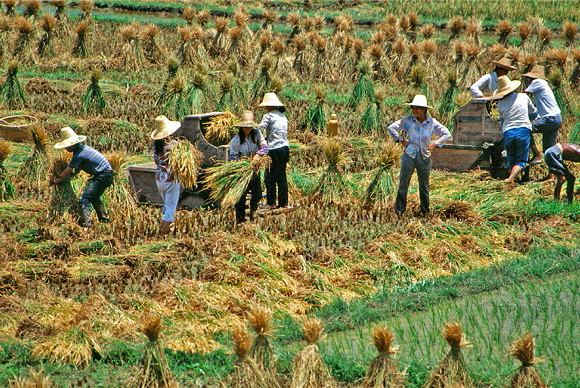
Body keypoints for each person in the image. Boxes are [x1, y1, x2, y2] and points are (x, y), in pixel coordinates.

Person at [387, 95, 452, 217]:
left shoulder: (431, 123)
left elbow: (447, 134)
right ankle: (399, 211)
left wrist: (435, 144)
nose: (415, 110)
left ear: (424, 110)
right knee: (403, 183)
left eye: (418, 108)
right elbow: (391, 128)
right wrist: (401, 140)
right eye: (413, 108)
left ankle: (425, 211)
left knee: (424, 185)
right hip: (409, 155)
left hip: (424, 156)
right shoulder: (408, 121)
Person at [52, 127, 113, 228]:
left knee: (84, 199)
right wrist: (72, 176)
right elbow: (77, 169)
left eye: (67, 146)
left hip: (102, 175)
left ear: (73, 144)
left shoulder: (79, 155)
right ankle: (104, 220)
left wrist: (58, 179)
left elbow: (68, 170)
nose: (66, 148)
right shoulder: (83, 149)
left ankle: (87, 224)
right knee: (94, 197)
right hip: (107, 175)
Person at [491, 75, 538, 183]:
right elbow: (534, 113)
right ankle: (511, 179)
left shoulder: (500, 104)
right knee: (522, 160)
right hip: (523, 131)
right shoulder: (523, 97)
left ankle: (512, 182)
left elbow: (502, 122)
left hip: (508, 133)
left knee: (511, 160)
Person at [229, 110, 268, 223]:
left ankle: (253, 212)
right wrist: (243, 163)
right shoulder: (236, 141)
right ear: (241, 127)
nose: (248, 129)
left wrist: (257, 155)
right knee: (240, 196)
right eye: (245, 127)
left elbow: (265, 148)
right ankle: (240, 219)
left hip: (254, 169)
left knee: (257, 193)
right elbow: (233, 158)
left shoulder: (256, 134)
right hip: (241, 171)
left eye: (250, 127)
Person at [523, 65, 562, 166]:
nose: (526, 81)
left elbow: (523, 96)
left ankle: (536, 154)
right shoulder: (542, 86)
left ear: (533, 78)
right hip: (556, 118)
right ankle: (552, 175)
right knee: (549, 150)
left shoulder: (538, 82)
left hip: (550, 118)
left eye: (528, 78)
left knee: (525, 128)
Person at [150, 115, 181, 236]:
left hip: (159, 179)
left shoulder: (156, 146)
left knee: (167, 205)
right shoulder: (173, 146)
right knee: (170, 208)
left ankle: (170, 230)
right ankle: (162, 234)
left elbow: (156, 162)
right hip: (171, 179)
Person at [258, 92, 289, 209]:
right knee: (281, 176)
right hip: (285, 148)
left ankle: (271, 202)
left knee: (269, 176)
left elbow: (260, 129)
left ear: (268, 106)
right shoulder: (282, 116)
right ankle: (283, 202)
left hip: (274, 149)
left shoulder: (269, 116)